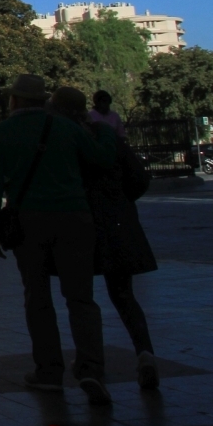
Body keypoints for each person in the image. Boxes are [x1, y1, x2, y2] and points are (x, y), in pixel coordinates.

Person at [0, 73, 116, 405]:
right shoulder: (66, 127)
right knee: (81, 298)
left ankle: (48, 371)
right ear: (42, 101)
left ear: (14, 100)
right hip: (74, 219)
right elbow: (101, 158)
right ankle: (91, 368)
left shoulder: (1, 132)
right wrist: (107, 132)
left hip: (29, 222)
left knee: (37, 298)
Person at [51, 86, 159, 390]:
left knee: (81, 298)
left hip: (80, 223)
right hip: (117, 221)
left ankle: (90, 363)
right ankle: (145, 352)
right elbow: (139, 177)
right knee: (124, 295)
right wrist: (121, 201)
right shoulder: (108, 135)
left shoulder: (65, 140)